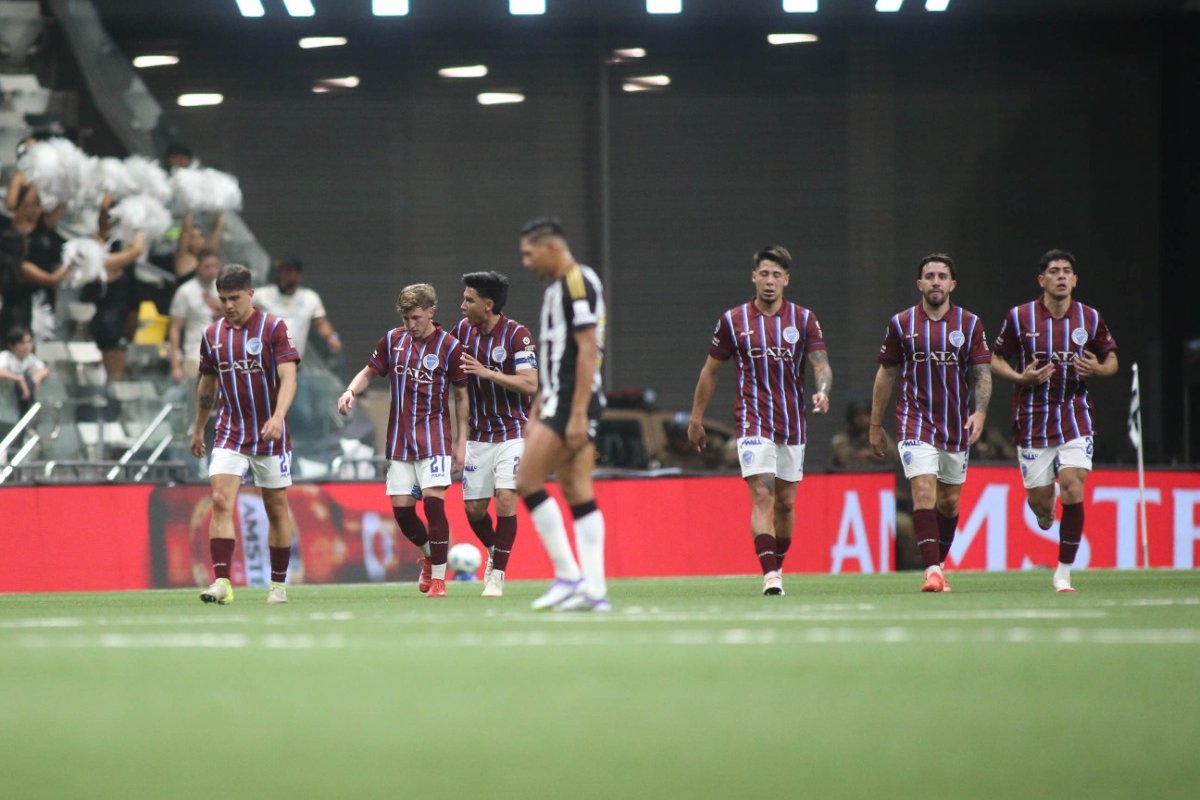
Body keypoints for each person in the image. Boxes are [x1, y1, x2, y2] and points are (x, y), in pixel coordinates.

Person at [688, 245, 832, 597]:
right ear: (754, 277)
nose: (769, 281)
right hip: (752, 420)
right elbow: (710, 371)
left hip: (792, 422)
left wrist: (823, 390)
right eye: (763, 274)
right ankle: (770, 575)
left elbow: (820, 364)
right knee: (763, 494)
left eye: (776, 275)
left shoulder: (804, 319)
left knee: (786, 502)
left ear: (786, 280)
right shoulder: (733, 321)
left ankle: (776, 565)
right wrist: (696, 418)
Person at [990, 249, 1118, 593]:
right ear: (1041, 280)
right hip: (1032, 416)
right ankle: (1045, 515)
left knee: (1073, 484)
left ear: (1074, 280)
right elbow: (995, 358)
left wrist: (1098, 369)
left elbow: (1111, 360)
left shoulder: (1090, 318)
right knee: (1041, 501)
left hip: (1074, 410)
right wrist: (1020, 378)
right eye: (1054, 271)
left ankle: (1063, 572)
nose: (1061, 276)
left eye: (1067, 271)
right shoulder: (1020, 317)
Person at [869, 253, 992, 592]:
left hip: (955, 425)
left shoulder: (969, 324)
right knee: (923, 489)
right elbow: (886, 373)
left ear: (952, 284)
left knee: (949, 502)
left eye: (942, 276)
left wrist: (979, 411)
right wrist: (876, 425)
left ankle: (938, 564)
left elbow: (982, 372)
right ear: (919, 284)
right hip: (914, 420)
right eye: (929, 276)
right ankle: (932, 571)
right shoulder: (901, 323)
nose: (936, 281)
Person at [337, 283, 468, 599]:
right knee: (402, 511)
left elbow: (462, 394)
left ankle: (439, 578)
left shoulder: (450, 347)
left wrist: (462, 441)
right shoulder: (393, 341)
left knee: (434, 506)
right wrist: (350, 391)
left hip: (436, 440)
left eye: (416, 318)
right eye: (406, 318)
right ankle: (428, 554)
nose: (410, 325)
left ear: (431, 312)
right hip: (400, 442)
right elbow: (369, 372)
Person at [514, 217, 611, 612]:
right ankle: (594, 590)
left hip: (572, 402)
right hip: (557, 399)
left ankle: (570, 576)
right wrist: (539, 403)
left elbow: (588, 349)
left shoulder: (577, 282)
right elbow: (557, 352)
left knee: (527, 480)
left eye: (529, 253)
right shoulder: (557, 288)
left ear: (551, 248)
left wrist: (577, 413)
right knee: (576, 490)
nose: (525, 262)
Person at [191, 264, 300, 606]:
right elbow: (207, 386)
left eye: (234, 298)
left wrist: (279, 417)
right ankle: (222, 581)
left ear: (250, 294)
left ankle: (278, 585)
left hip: (270, 434)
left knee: (276, 509)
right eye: (222, 299)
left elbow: (288, 378)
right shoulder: (212, 335)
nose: (227, 305)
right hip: (229, 432)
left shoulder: (274, 328)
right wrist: (198, 428)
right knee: (221, 501)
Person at [452, 270, 538, 598]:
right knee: (474, 510)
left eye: (468, 300)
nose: (462, 306)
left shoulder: (517, 335)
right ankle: (494, 550)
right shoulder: (463, 331)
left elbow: (530, 383)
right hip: (479, 435)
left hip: (513, 431)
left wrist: (488, 373)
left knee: (505, 499)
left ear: (488, 305)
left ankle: (497, 575)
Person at [253, 256, 342, 360]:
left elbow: (320, 322)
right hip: (264, 361)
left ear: (299, 275)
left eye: (288, 272)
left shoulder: (310, 298)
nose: (283, 276)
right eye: (281, 271)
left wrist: (332, 337)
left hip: (293, 363)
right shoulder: (260, 295)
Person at [168, 248, 221, 382]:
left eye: (215, 266)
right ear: (198, 267)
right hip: (194, 354)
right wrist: (175, 365)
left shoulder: (223, 289)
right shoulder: (186, 291)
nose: (211, 271)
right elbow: (175, 329)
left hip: (222, 353)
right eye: (207, 267)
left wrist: (218, 306)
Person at [0, 325, 48, 417]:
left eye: (29, 342)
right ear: (13, 345)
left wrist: (36, 378)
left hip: (18, 407)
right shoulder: (6, 357)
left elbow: (44, 370)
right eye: (22, 343)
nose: (27, 346)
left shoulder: (30, 359)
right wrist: (18, 378)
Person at [174, 209, 225, 280]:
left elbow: (218, 229)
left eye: (200, 236)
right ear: (187, 242)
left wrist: (220, 206)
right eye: (193, 237)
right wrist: (190, 206)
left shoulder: (208, 255)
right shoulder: (183, 258)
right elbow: (186, 229)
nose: (198, 241)